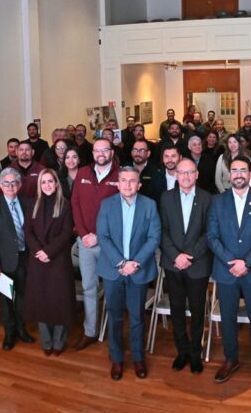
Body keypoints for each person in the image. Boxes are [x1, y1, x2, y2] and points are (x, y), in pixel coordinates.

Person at [206, 155, 251, 387]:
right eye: (234, 170)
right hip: (226, 272)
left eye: (243, 170)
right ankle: (231, 359)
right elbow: (212, 237)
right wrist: (231, 262)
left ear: (250, 172)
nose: (238, 174)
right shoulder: (217, 202)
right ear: (229, 174)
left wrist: (246, 263)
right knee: (228, 318)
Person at [96, 167, 161, 380]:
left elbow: (154, 238)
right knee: (114, 316)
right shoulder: (107, 205)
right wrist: (121, 263)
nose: (127, 184)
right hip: (113, 270)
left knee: (136, 317)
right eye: (123, 180)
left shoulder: (149, 205)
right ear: (118, 183)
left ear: (139, 185)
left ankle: (138, 357)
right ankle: (116, 358)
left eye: (132, 181)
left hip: (138, 271)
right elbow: (103, 237)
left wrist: (135, 263)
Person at [158, 158, 212, 374]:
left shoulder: (208, 198)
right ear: (176, 175)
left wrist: (188, 255)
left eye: (190, 172)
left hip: (197, 265)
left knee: (198, 311)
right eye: (182, 172)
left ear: (197, 174)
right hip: (173, 265)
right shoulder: (166, 197)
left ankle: (196, 353)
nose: (186, 176)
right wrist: (176, 256)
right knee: (177, 309)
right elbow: (162, 230)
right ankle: (182, 352)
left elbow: (209, 233)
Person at [70, 137, 121, 351]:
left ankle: (113, 333)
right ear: (92, 154)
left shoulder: (120, 175)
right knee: (89, 287)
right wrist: (83, 234)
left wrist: (98, 236)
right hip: (85, 243)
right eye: (96, 150)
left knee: (112, 289)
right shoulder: (83, 173)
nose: (100, 154)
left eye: (104, 150)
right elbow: (75, 204)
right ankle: (90, 331)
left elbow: (122, 211)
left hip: (110, 244)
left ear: (111, 152)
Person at [20, 168, 76, 356]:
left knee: (59, 302)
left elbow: (67, 233)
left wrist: (48, 251)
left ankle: (59, 342)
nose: (47, 185)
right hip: (38, 260)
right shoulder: (33, 204)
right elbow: (28, 232)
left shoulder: (65, 204)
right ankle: (47, 341)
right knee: (41, 302)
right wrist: (39, 251)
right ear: (39, 185)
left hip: (58, 260)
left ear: (56, 183)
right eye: (43, 182)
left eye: (50, 181)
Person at [0, 169, 33, 351]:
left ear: (19, 185)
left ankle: (22, 329)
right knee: (5, 300)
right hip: (2, 263)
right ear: (1, 186)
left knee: (22, 298)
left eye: (14, 183)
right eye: (6, 183)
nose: (10, 187)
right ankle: (9, 334)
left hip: (24, 258)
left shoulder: (27, 203)